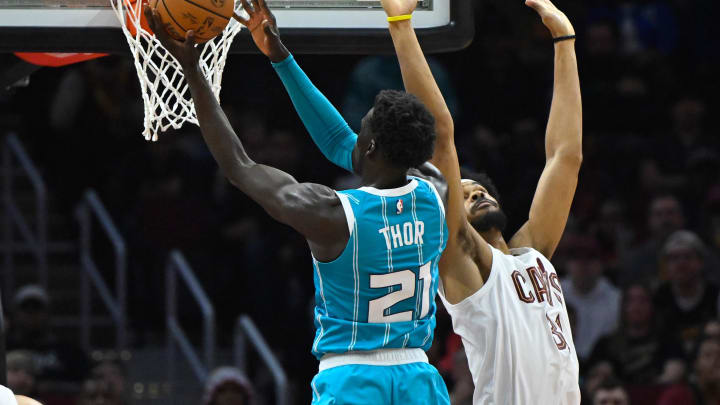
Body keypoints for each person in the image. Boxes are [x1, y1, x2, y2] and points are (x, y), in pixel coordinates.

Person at [144, 0, 450, 403]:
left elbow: (239, 166)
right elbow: (342, 143)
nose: (354, 132)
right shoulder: (435, 194)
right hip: (418, 377)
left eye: (362, 126)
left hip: (353, 379)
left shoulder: (330, 213)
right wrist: (280, 57)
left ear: (372, 146)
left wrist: (194, 72)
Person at [298, 0, 582, 402]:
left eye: (478, 189)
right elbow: (442, 140)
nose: (475, 192)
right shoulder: (466, 264)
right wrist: (401, 25)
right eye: (463, 196)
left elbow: (565, 157)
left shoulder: (533, 255)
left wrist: (564, 40)